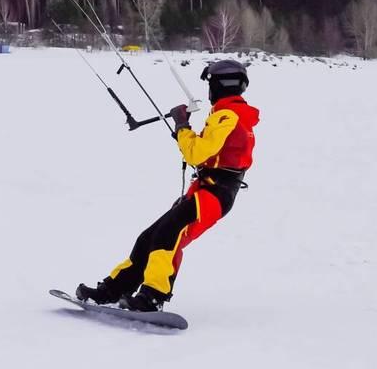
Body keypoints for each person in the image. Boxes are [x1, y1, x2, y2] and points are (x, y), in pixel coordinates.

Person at [76, 59, 260, 311]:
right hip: (209, 191)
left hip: (215, 194)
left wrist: (182, 126)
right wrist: (185, 132)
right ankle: (113, 289)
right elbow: (206, 153)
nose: (208, 91)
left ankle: (153, 295)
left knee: (168, 235)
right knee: (149, 237)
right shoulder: (229, 115)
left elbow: (196, 154)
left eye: (210, 84)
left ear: (219, 85)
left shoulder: (227, 115)